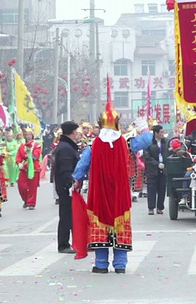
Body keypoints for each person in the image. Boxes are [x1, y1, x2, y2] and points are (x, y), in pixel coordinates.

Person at [72, 96, 133, 274]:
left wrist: (76, 180)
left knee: (100, 226)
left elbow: (81, 166)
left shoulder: (94, 145)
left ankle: (101, 264)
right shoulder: (124, 143)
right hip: (120, 196)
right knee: (120, 227)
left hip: (99, 195)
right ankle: (120, 265)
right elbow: (143, 141)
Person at [52, 121, 80, 254]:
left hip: (68, 186)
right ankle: (63, 244)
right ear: (73, 132)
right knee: (66, 216)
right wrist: (70, 183)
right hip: (66, 187)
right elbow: (65, 170)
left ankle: (77, 242)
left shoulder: (67, 146)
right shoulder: (65, 148)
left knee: (73, 215)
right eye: (77, 131)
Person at [143, 125, 167, 215]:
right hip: (152, 170)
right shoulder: (149, 143)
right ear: (156, 133)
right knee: (151, 189)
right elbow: (147, 156)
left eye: (163, 132)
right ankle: (151, 207)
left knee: (162, 188)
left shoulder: (166, 142)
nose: (162, 134)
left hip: (163, 169)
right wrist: (157, 164)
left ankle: (160, 207)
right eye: (161, 132)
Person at [16, 128, 42, 210]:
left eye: (30, 135)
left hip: (33, 168)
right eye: (26, 135)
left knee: (32, 187)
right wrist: (19, 163)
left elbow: (36, 155)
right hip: (24, 168)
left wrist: (29, 156)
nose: (28, 136)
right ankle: (26, 200)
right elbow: (18, 156)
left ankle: (31, 203)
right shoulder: (22, 146)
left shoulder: (37, 145)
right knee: (21, 186)